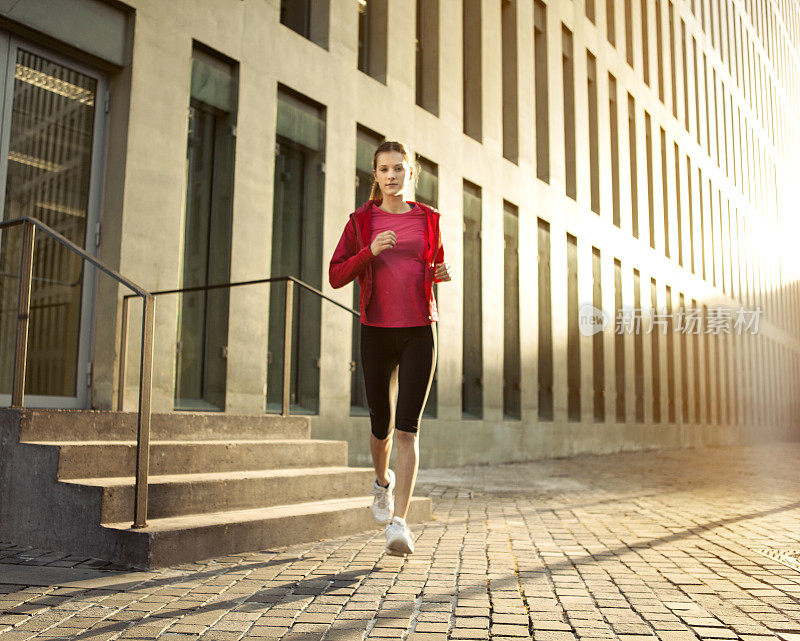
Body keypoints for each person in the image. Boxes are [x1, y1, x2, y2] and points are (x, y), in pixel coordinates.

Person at [328, 140, 452, 556]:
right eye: (384, 169)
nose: (392, 175)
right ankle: (382, 483)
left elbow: (431, 262)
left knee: (406, 428)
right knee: (380, 426)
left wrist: (439, 272)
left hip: (419, 329)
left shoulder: (429, 219)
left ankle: (399, 523)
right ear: (375, 176)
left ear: (410, 174)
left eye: (399, 168)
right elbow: (336, 275)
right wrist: (369, 252)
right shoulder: (362, 221)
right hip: (376, 330)